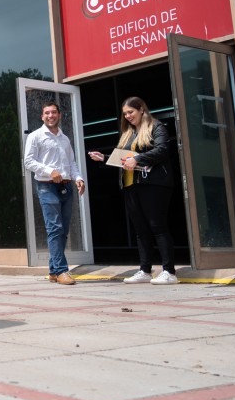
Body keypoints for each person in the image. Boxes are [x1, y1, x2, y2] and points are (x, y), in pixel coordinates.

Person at [88, 96, 178, 284]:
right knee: (141, 229)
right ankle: (145, 270)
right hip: (131, 185)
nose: (128, 116)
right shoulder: (129, 133)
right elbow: (124, 158)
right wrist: (104, 157)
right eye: (125, 114)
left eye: (131, 112)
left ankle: (169, 271)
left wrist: (138, 159)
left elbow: (162, 150)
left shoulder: (156, 126)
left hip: (154, 184)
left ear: (142, 110)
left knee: (157, 226)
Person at [23, 101, 86, 285]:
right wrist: (50, 171)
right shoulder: (35, 136)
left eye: (53, 112)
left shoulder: (64, 139)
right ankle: (61, 271)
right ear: (42, 116)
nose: (50, 116)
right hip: (46, 186)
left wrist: (79, 179)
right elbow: (28, 162)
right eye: (47, 113)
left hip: (66, 186)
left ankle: (52, 270)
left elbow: (71, 164)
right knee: (55, 228)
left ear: (59, 115)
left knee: (63, 230)